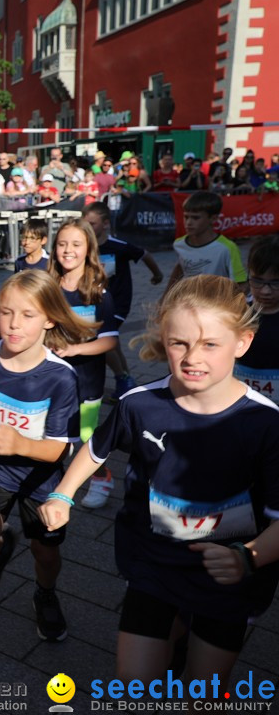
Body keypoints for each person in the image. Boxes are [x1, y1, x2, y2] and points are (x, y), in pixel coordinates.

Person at [39, 274, 279, 689]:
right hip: (156, 562)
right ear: (163, 339)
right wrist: (64, 493)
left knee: (202, 695)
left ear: (242, 342)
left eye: (210, 344)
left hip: (228, 576)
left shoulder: (265, 423)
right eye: (179, 342)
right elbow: (97, 448)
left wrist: (249, 556)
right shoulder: (140, 404)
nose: (192, 357)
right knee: (135, 680)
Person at [0, 270, 95, 641]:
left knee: (45, 554)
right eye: (6, 312)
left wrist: (20, 444)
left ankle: (45, 593)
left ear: (50, 318)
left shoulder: (61, 377)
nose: (14, 324)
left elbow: (61, 448)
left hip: (42, 479)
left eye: (27, 315)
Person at [50, 219, 120, 507]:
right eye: (62, 244)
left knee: (85, 434)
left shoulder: (98, 292)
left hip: (87, 380)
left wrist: (76, 349)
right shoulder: (47, 287)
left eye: (76, 244)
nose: (68, 251)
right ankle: (55, 478)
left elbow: (110, 340)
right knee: (54, 430)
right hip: (51, 378)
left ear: (89, 249)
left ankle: (101, 476)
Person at [83, 202, 164, 401]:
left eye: (92, 224)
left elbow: (145, 254)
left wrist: (158, 274)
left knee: (100, 340)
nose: (88, 228)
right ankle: (126, 380)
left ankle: (122, 378)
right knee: (111, 341)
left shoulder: (118, 246)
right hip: (93, 303)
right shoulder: (85, 247)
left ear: (105, 224)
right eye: (85, 224)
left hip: (117, 303)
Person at [167, 191, 248, 296]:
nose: (189, 222)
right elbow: (181, 267)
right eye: (186, 217)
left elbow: (242, 284)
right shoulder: (179, 244)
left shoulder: (227, 248)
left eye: (195, 218)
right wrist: (166, 296)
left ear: (213, 218)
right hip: (190, 303)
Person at [236, 235, 279, 405]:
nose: (266, 291)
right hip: (240, 402)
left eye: (275, 283)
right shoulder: (235, 311)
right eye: (257, 281)